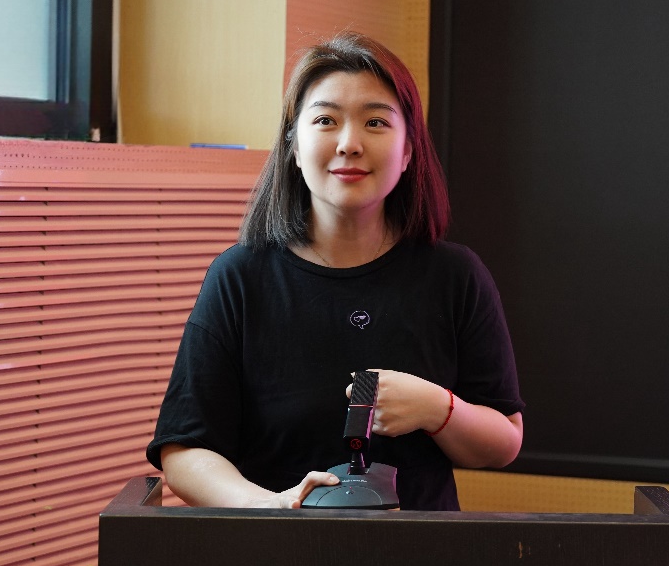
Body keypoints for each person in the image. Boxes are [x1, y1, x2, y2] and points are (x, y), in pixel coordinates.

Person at [146, 32, 524, 511]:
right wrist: (274, 507)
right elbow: (184, 452)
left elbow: (504, 441)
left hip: (424, 555)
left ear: (409, 151)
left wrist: (438, 408)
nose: (349, 144)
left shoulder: (456, 276)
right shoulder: (239, 277)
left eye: (375, 122)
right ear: (294, 146)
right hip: (277, 550)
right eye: (326, 120)